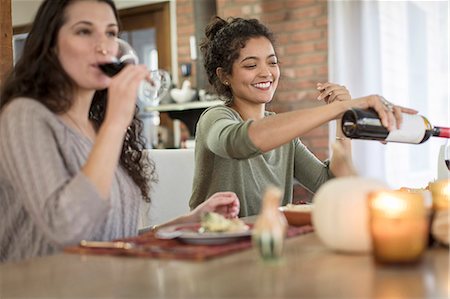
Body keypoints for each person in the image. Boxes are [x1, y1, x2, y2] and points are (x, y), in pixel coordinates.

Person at [0, 0, 239, 263]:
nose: (103, 46)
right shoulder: (25, 116)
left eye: (111, 33)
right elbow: (66, 231)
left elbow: (115, 239)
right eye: (84, 31)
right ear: (51, 44)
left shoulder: (98, 129)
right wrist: (116, 122)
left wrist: (189, 221)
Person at [189, 16, 417, 217]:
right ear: (224, 75)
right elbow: (241, 142)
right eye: (250, 65)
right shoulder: (215, 118)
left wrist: (343, 118)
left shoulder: (284, 138)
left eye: (272, 62)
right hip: (214, 254)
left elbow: (332, 185)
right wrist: (340, 108)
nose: (266, 73)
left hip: (267, 249)